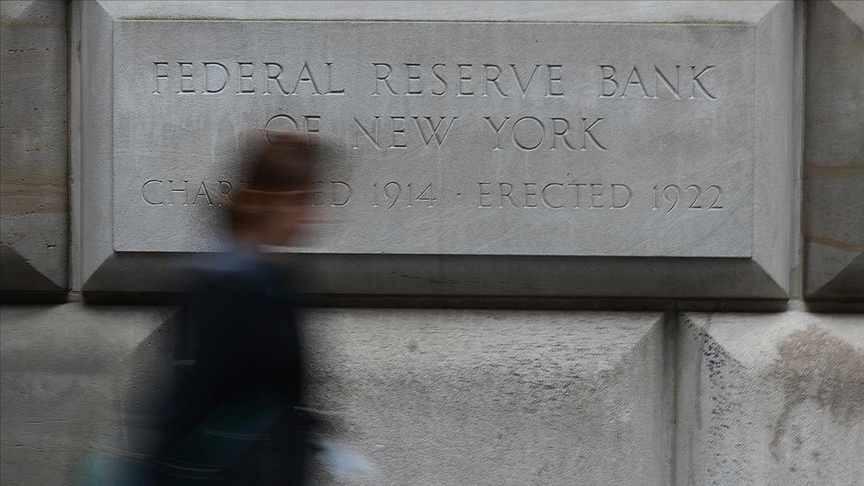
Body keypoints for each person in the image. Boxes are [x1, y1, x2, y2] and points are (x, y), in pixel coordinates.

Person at [143, 130, 319, 485]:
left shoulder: (270, 278)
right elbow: (194, 397)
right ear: (270, 202)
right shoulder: (233, 284)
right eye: (300, 201)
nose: (309, 216)